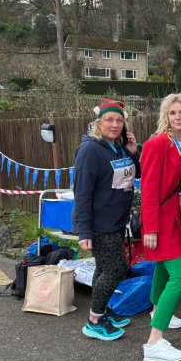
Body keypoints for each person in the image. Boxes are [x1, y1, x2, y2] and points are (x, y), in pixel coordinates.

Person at [73, 98, 140, 341]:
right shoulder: (90, 150)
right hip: (100, 223)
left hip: (117, 220)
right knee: (115, 270)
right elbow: (81, 192)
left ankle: (101, 310)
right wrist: (84, 231)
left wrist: (133, 153)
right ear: (98, 123)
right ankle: (94, 320)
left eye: (119, 120)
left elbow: (137, 173)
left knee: (103, 269)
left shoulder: (118, 147)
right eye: (109, 120)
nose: (115, 124)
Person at [140, 93, 181, 361]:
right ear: (166, 115)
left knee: (163, 270)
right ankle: (154, 342)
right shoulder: (157, 144)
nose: (178, 117)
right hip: (162, 220)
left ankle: (157, 310)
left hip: (177, 217)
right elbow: (149, 189)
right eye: (173, 112)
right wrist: (150, 228)